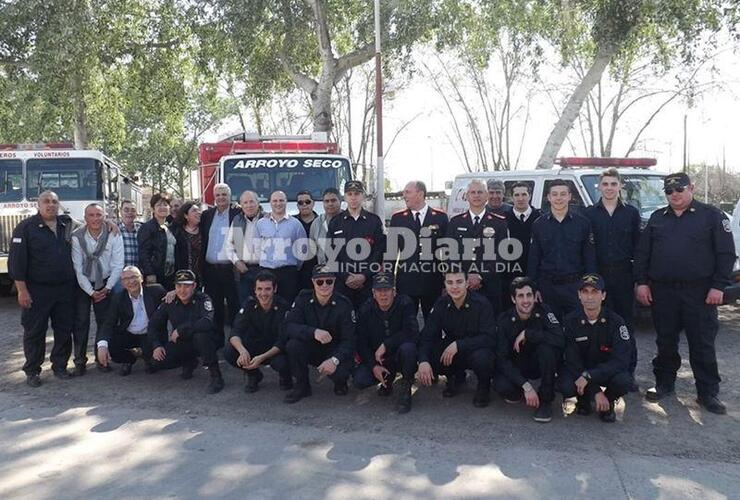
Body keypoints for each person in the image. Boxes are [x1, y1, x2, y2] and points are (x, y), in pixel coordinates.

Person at [634, 172, 735, 414]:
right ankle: (664, 384)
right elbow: (642, 254)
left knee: (702, 343)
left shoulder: (712, 216)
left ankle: (707, 392)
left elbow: (726, 254)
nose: (674, 195)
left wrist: (718, 286)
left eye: (679, 189)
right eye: (669, 191)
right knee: (665, 341)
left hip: (699, 292)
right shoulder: (658, 218)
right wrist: (642, 283)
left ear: (691, 188)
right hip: (663, 292)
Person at [8, 190, 76, 386]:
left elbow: (91, 226)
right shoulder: (25, 228)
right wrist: (22, 290)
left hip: (64, 289)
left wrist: (110, 223)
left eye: (54, 201)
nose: (51, 205)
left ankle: (60, 366)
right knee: (34, 331)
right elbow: (16, 263)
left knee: (64, 329)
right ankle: (32, 371)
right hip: (37, 290)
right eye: (46, 201)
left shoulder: (66, 224)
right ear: (38, 205)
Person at [584, 168, 641, 390]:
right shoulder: (589, 214)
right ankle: (597, 373)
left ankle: (628, 372)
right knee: (597, 325)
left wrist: (639, 279)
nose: (609, 188)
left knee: (625, 326)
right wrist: (590, 280)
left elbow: (638, 248)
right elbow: (587, 249)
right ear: (599, 186)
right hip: (598, 277)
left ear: (620, 186)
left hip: (624, 276)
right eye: (605, 184)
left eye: (613, 184)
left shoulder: (631, 213)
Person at [416, 269, 496, 408]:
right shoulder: (441, 303)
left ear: (466, 284)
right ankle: (455, 377)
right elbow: (427, 335)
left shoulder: (481, 304)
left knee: (483, 358)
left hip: (476, 347)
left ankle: (484, 386)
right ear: (445, 285)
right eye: (450, 282)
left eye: (459, 282)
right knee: (434, 353)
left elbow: (490, 338)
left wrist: (460, 344)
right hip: (452, 347)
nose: (454, 287)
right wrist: (423, 360)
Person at [560, 274, 632, 423]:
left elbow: (621, 361)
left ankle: (609, 401)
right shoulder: (570, 321)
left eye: (595, 292)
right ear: (579, 295)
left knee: (624, 381)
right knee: (565, 385)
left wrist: (590, 376)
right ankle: (584, 398)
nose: (590, 297)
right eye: (585, 292)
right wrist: (596, 391)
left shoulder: (616, 322)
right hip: (580, 371)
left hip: (605, 371)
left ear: (603, 295)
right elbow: (571, 359)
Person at [282, 265, 356, 403]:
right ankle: (302, 386)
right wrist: (313, 332)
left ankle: (340, 382)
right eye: (320, 282)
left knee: (341, 373)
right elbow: (288, 326)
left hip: (334, 351)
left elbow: (349, 340)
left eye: (329, 281)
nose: (324, 285)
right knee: (293, 345)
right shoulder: (303, 299)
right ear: (313, 282)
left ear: (334, 281)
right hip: (311, 347)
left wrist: (334, 360)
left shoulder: (344, 304)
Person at [494, 277, 563, 423]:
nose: (526, 301)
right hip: (518, 366)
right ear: (513, 299)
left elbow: (560, 339)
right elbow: (502, 359)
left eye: (529, 295)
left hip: (539, 363)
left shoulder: (544, 311)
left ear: (534, 296)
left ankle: (545, 400)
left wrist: (528, 334)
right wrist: (526, 386)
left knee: (548, 349)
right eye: (520, 296)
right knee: (502, 387)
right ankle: (522, 390)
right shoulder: (504, 320)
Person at [147, 269, 225, 394]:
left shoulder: (203, 299)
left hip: (204, 341)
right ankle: (189, 362)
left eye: (187, 286)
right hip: (182, 342)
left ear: (194, 286)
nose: (182, 290)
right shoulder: (170, 301)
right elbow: (153, 325)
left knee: (201, 335)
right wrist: (157, 345)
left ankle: (216, 376)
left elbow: (207, 322)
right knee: (156, 363)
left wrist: (181, 330)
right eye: (179, 285)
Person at [528, 180, 597, 320]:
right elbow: (533, 258)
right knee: (550, 331)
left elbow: (589, 258)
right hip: (547, 288)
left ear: (570, 196)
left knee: (577, 331)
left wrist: (590, 287)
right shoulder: (538, 225)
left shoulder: (583, 224)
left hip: (575, 287)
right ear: (548, 197)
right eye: (554, 194)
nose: (559, 198)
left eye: (563, 194)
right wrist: (532, 287)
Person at [353, 272, 419, 414]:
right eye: (379, 291)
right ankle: (386, 381)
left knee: (409, 349)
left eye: (387, 290)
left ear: (394, 291)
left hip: (399, 356)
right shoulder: (365, 310)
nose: (383, 295)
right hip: (378, 359)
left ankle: (406, 390)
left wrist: (386, 345)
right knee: (360, 380)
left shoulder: (405, 303)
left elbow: (412, 332)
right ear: (373, 293)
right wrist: (373, 366)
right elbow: (361, 342)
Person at [70, 203, 124, 375]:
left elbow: (118, 264)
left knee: (105, 322)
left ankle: (102, 360)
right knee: (81, 322)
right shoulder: (77, 237)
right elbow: (77, 268)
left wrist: (107, 288)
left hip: (106, 282)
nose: (95, 219)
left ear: (104, 216)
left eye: (98, 215)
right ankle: (79, 362)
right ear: (85, 218)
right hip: (83, 284)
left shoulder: (114, 234)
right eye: (91, 215)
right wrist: (91, 292)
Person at [223, 270, 292, 393]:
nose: (263, 293)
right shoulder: (249, 304)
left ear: (274, 289)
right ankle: (253, 375)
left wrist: (261, 358)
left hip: (275, 349)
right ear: (254, 290)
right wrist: (242, 351)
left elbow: (282, 341)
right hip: (255, 345)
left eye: (267, 289)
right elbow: (235, 332)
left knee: (284, 361)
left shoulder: (283, 307)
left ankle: (285, 377)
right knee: (229, 351)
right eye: (259, 289)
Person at [389, 180, 449, 318]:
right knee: (407, 324)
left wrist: (448, 281)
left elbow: (446, 252)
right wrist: (389, 281)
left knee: (434, 323)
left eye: (407, 192)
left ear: (420, 194)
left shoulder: (440, 217)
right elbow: (391, 254)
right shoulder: (398, 219)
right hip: (406, 283)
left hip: (432, 282)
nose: (404, 195)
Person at [447, 179, 508, 313]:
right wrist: (464, 277)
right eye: (472, 192)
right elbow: (450, 254)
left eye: (480, 192)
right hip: (462, 287)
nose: (476, 195)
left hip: (490, 286)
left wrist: (480, 276)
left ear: (486, 195)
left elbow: (502, 256)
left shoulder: (499, 223)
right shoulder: (455, 222)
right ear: (467, 196)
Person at [97, 266, 166, 375]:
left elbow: (174, 302)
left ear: (141, 278)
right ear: (122, 283)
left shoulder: (156, 291)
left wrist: (173, 293)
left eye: (134, 277)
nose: (131, 281)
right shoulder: (118, 297)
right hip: (129, 334)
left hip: (150, 335)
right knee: (111, 344)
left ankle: (147, 357)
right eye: (126, 279)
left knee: (157, 363)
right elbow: (108, 322)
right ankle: (129, 359)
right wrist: (102, 345)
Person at [327, 180, 385, 308]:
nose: (353, 197)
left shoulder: (374, 221)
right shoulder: (336, 222)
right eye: (350, 194)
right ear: (345, 197)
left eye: (357, 194)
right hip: (343, 284)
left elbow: (379, 252)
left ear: (363, 196)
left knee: (367, 322)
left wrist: (364, 275)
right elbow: (330, 254)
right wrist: (346, 276)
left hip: (367, 283)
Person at [200, 183, 241, 344]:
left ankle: (236, 341)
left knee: (234, 307)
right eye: (218, 195)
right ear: (214, 197)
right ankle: (217, 342)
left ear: (230, 196)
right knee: (214, 307)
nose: (221, 198)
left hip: (231, 270)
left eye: (224, 194)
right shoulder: (207, 215)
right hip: (211, 270)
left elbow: (256, 213)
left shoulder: (238, 212)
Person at [254, 190, 307, 303]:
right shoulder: (261, 223)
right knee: (266, 305)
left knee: (288, 305)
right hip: (266, 272)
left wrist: (294, 267)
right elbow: (256, 247)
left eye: (281, 200)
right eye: (275, 201)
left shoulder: (296, 224)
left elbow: (302, 250)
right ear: (270, 203)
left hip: (288, 273)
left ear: (286, 202)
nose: (278, 203)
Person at [226, 190, 263, 305]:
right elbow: (229, 245)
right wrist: (237, 262)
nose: (249, 205)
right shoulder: (237, 220)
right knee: (246, 305)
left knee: (265, 304)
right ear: (241, 205)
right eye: (245, 202)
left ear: (258, 203)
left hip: (264, 269)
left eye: (251, 201)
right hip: (244, 271)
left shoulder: (268, 219)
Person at [138, 193, 177, 290]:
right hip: (155, 275)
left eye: (165, 205)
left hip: (170, 275)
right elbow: (143, 253)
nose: (162, 207)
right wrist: (150, 273)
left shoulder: (170, 227)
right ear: (152, 209)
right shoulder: (147, 228)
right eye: (159, 205)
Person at [505, 182, 541, 279]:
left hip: (536, 272)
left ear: (530, 196)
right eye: (516, 195)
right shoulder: (503, 219)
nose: (520, 199)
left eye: (524, 194)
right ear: (511, 198)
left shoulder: (540, 218)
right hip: (510, 272)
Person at [172, 201, 204, 286]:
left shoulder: (204, 231)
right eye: (194, 210)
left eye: (199, 210)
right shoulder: (177, 232)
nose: (198, 213)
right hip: (183, 277)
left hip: (202, 277)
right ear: (186, 215)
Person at [309, 187, 342, 265]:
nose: (330, 204)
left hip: (345, 270)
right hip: (324, 271)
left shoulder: (348, 221)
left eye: (333, 200)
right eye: (327, 201)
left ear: (340, 201)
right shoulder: (317, 223)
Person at [295, 190, 319, 291]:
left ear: (313, 203)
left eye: (307, 202)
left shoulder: (322, 222)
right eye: (300, 203)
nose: (304, 205)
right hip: (297, 270)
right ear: (297, 205)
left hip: (317, 268)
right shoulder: (291, 222)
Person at [118, 199, 141, 269]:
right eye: (126, 210)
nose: (130, 213)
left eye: (133, 210)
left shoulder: (141, 229)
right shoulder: (114, 230)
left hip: (137, 275)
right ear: (120, 212)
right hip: (119, 274)